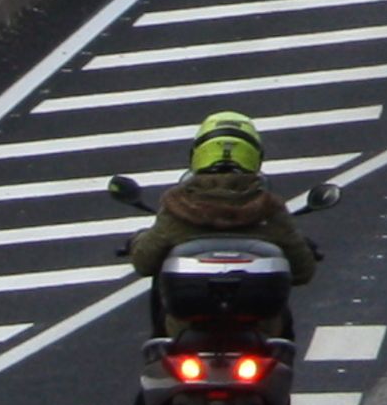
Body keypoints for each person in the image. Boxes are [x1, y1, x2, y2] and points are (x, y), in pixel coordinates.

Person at [124, 112, 320, 319]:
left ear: (197, 153)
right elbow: (302, 271)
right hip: (260, 330)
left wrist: (137, 241)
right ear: (255, 155)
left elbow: (145, 262)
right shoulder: (271, 209)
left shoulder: (177, 205)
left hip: (186, 331)